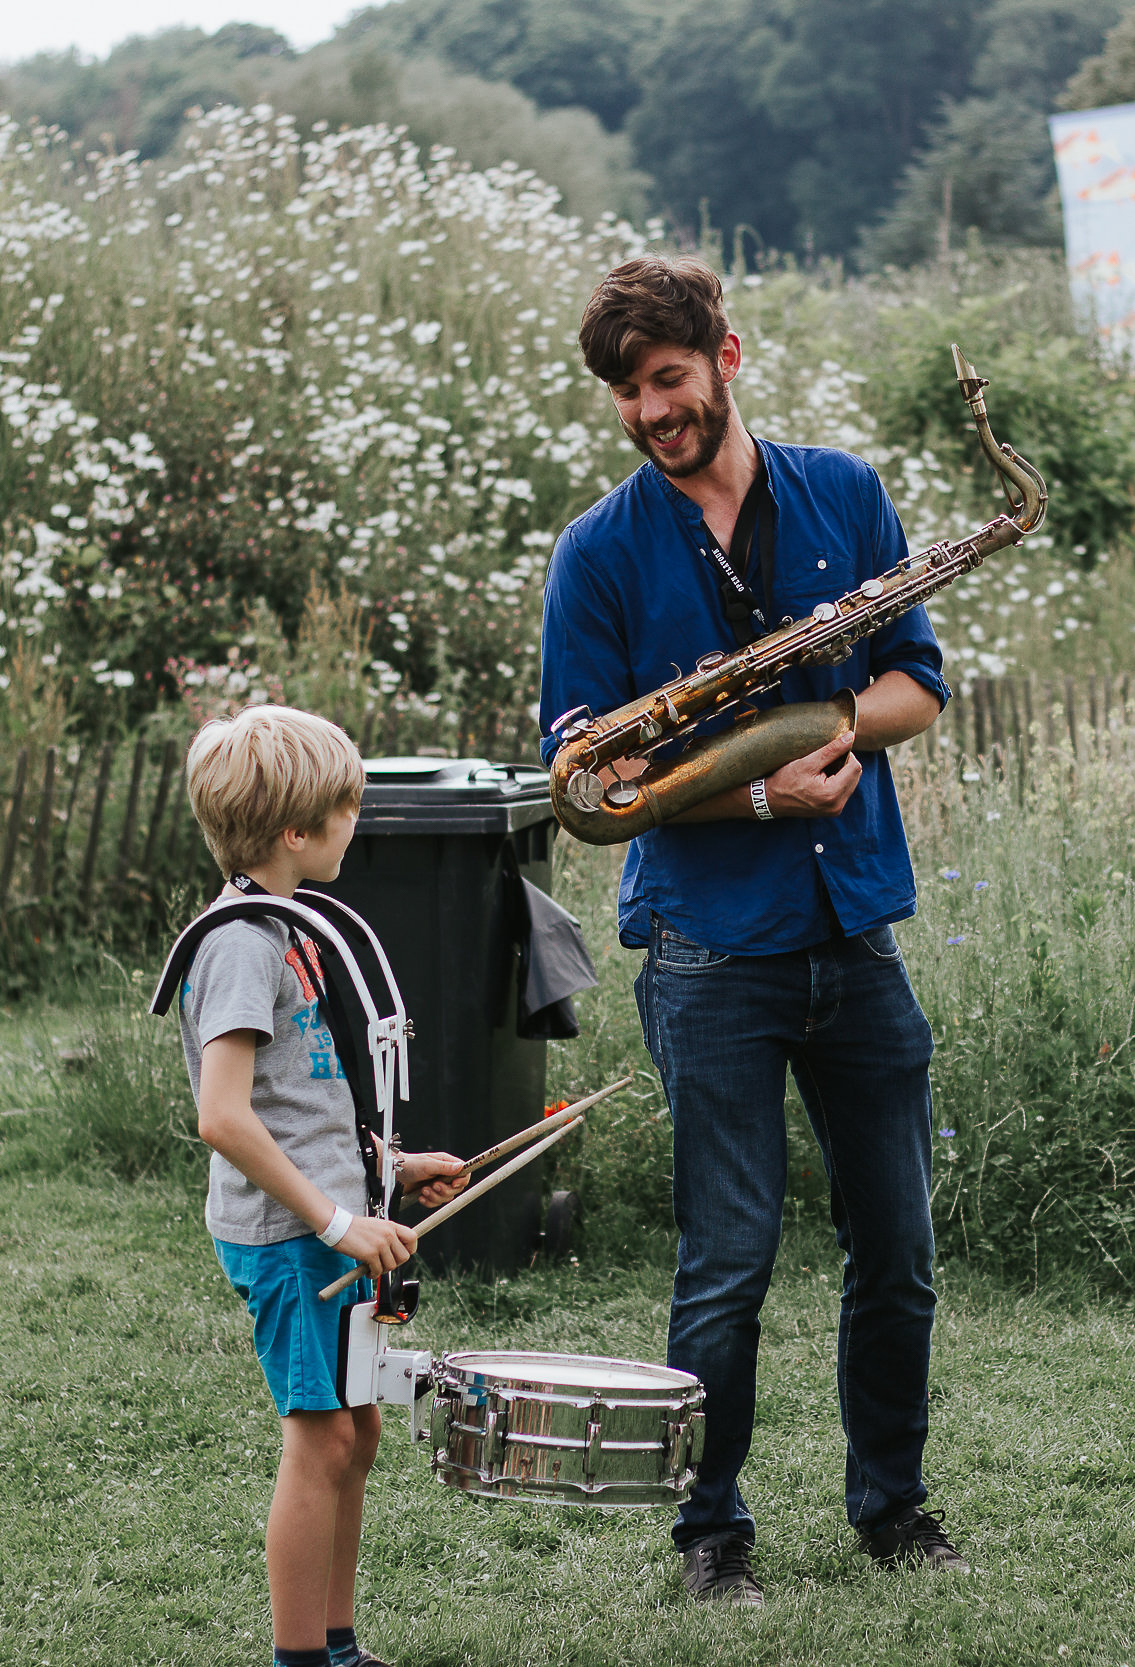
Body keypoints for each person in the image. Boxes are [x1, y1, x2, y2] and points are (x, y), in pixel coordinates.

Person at [539, 255, 962, 1606]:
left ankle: (892, 1506)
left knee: (897, 1249)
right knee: (728, 1258)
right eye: (627, 393)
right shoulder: (597, 552)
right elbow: (590, 777)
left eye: (668, 378)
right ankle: (709, 1529)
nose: (652, 412)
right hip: (711, 953)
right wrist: (755, 785)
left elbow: (918, 687)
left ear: (727, 352)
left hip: (856, 926)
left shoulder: (843, 493)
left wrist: (823, 721)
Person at [176, 703, 471, 1667]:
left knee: (362, 1431)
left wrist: (389, 1168)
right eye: (347, 807)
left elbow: (302, 1101)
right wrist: (340, 1219)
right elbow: (225, 1115)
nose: (359, 820)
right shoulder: (239, 944)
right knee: (322, 1440)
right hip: (287, 1235)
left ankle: (338, 1647)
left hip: (327, 1220)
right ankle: (303, 1659)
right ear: (295, 830)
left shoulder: (289, 930)